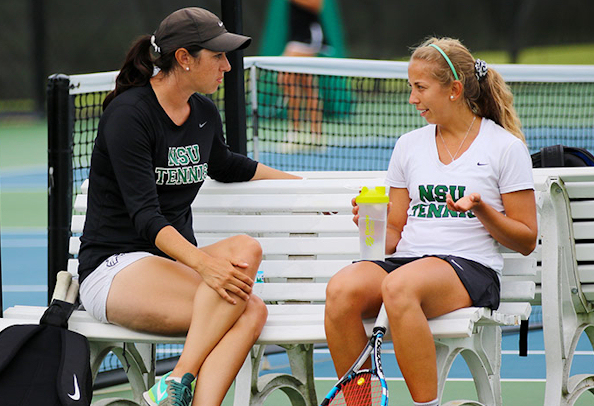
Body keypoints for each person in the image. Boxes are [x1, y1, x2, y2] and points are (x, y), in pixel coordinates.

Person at [77, 7, 300, 406]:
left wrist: (304, 188)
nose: (227, 66)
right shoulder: (129, 115)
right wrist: (203, 264)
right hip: (114, 269)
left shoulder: (203, 113)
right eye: (217, 56)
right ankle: (180, 382)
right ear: (183, 58)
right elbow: (145, 217)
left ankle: (178, 385)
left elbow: (228, 165)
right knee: (248, 310)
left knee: (246, 256)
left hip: (170, 265)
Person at [324, 37, 538, 406]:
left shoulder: (505, 147)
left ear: (454, 89)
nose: (412, 99)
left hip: (469, 267)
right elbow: (391, 235)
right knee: (341, 290)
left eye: (420, 88)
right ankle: (360, 403)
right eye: (411, 88)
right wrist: (368, 224)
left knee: (399, 288)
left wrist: (482, 210)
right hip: (408, 262)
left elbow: (526, 239)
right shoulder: (408, 145)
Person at [277, 0, 326, 153]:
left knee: (288, 77)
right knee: (303, 84)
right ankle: (301, 133)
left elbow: (317, 5)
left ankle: (314, 135)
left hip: (308, 36)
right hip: (295, 37)